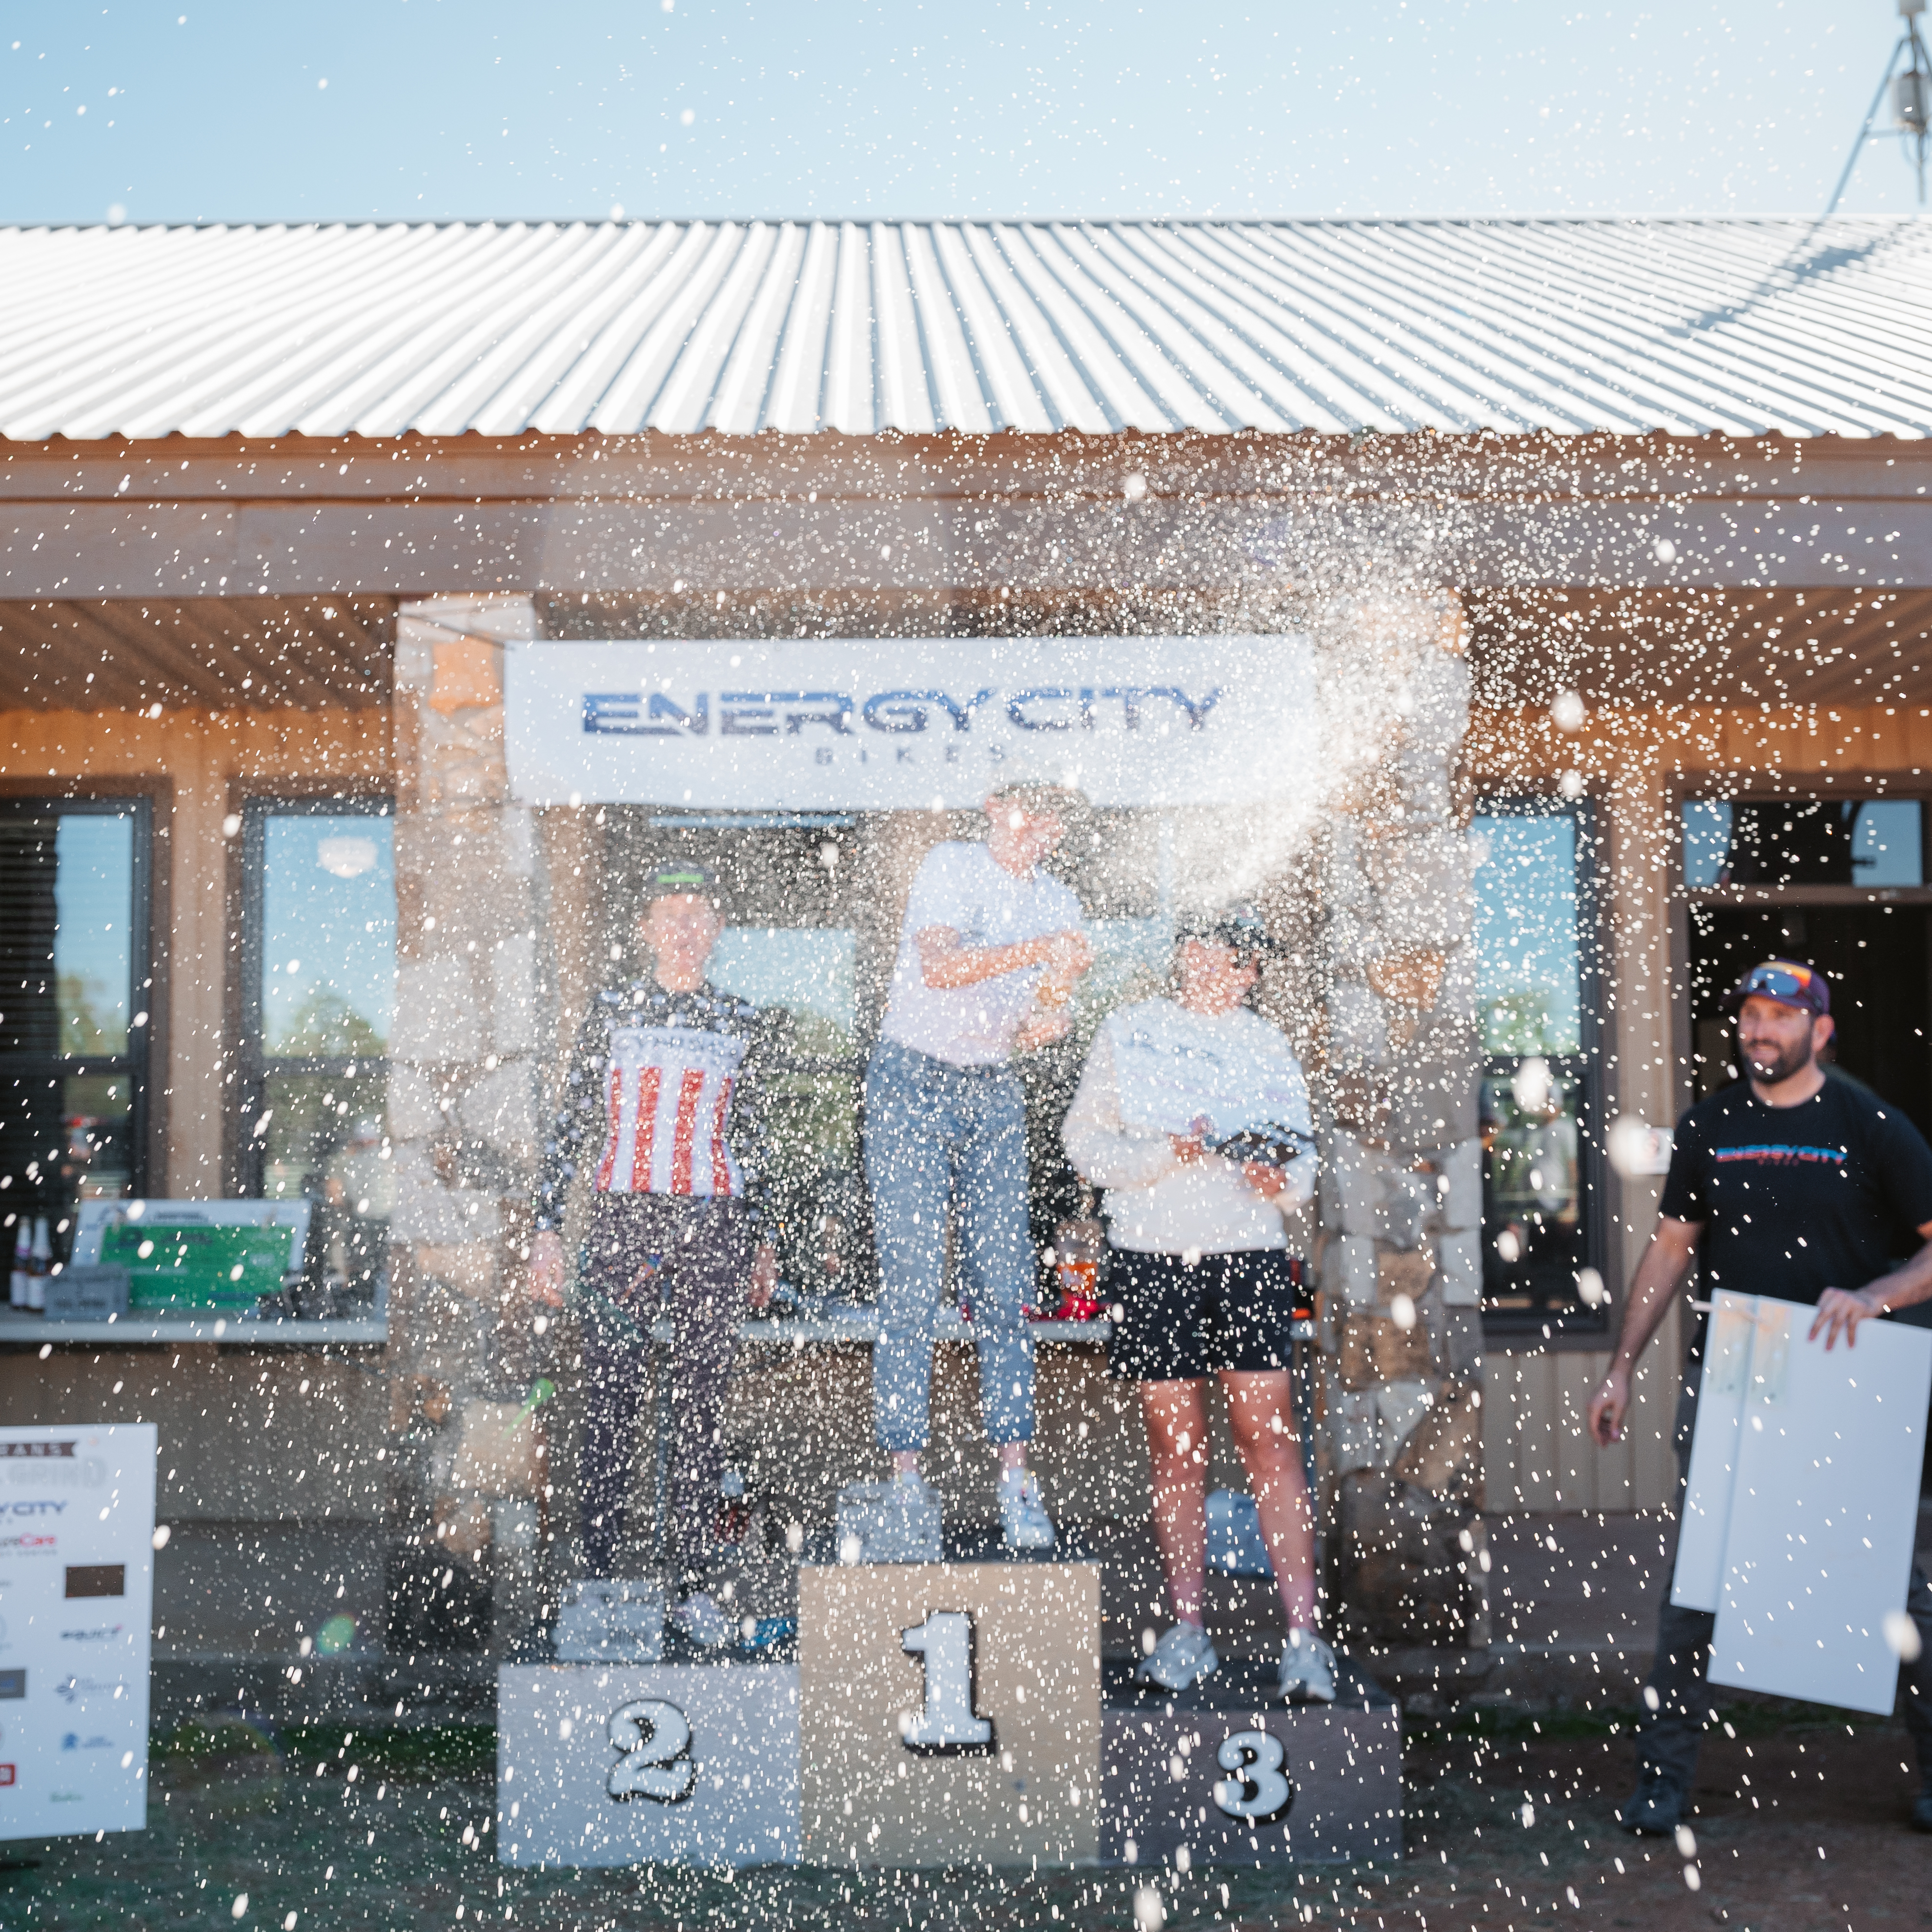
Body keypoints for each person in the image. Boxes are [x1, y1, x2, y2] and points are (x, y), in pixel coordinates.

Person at [1586, 957, 1932, 1834]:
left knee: (1889, 1576)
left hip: (1847, 1375)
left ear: (1821, 1031)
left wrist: (1873, 1296)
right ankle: (1662, 1783)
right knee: (1697, 1583)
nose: (1760, 1029)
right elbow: (1671, 1250)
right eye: (1749, 1014)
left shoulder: (1872, 1125)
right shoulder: (1710, 1127)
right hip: (1740, 1372)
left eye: (1780, 1016)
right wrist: (1622, 1365)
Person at [1062, 905, 1337, 1703]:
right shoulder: (1129, 1028)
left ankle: (1303, 1641)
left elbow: (1302, 1166)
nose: (1201, 963)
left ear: (1250, 972)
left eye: (1219, 953)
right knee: (1174, 1449)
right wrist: (1160, 1155)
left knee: (1270, 1444)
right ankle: (1188, 1632)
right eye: (1193, 949)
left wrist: (1274, 1180)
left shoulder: (1268, 1044)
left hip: (1248, 1257)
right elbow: (1084, 1141)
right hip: (1150, 1261)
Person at [528, 862, 778, 1647]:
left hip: (712, 1224)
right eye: (668, 913)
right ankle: (600, 1581)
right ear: (644, 929)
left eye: (698, 914)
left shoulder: (740, 1018)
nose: (683, 927)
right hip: (624, 1222)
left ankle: (694, 1589)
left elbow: (757, 1137)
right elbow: (570, 1124)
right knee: (609, 1403)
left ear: (717, 930)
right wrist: (544, 1229)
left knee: (699, 1411)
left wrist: (766, 1238)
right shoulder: (609, 1010)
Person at [864, 771, 1095, 1551]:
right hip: (909, 1079)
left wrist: (1054, 1006)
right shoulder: (950, 867)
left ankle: (1016, 1479)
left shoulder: (1059, 901)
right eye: (1031, 812)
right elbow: (941, 968)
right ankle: (904, 1481)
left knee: (1003, 1287)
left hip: (991, 1087)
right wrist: (1042, 953)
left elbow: (1039, 1019)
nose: (1041, 830)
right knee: (912, 1285)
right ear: (998, 808)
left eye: (1056, 820)